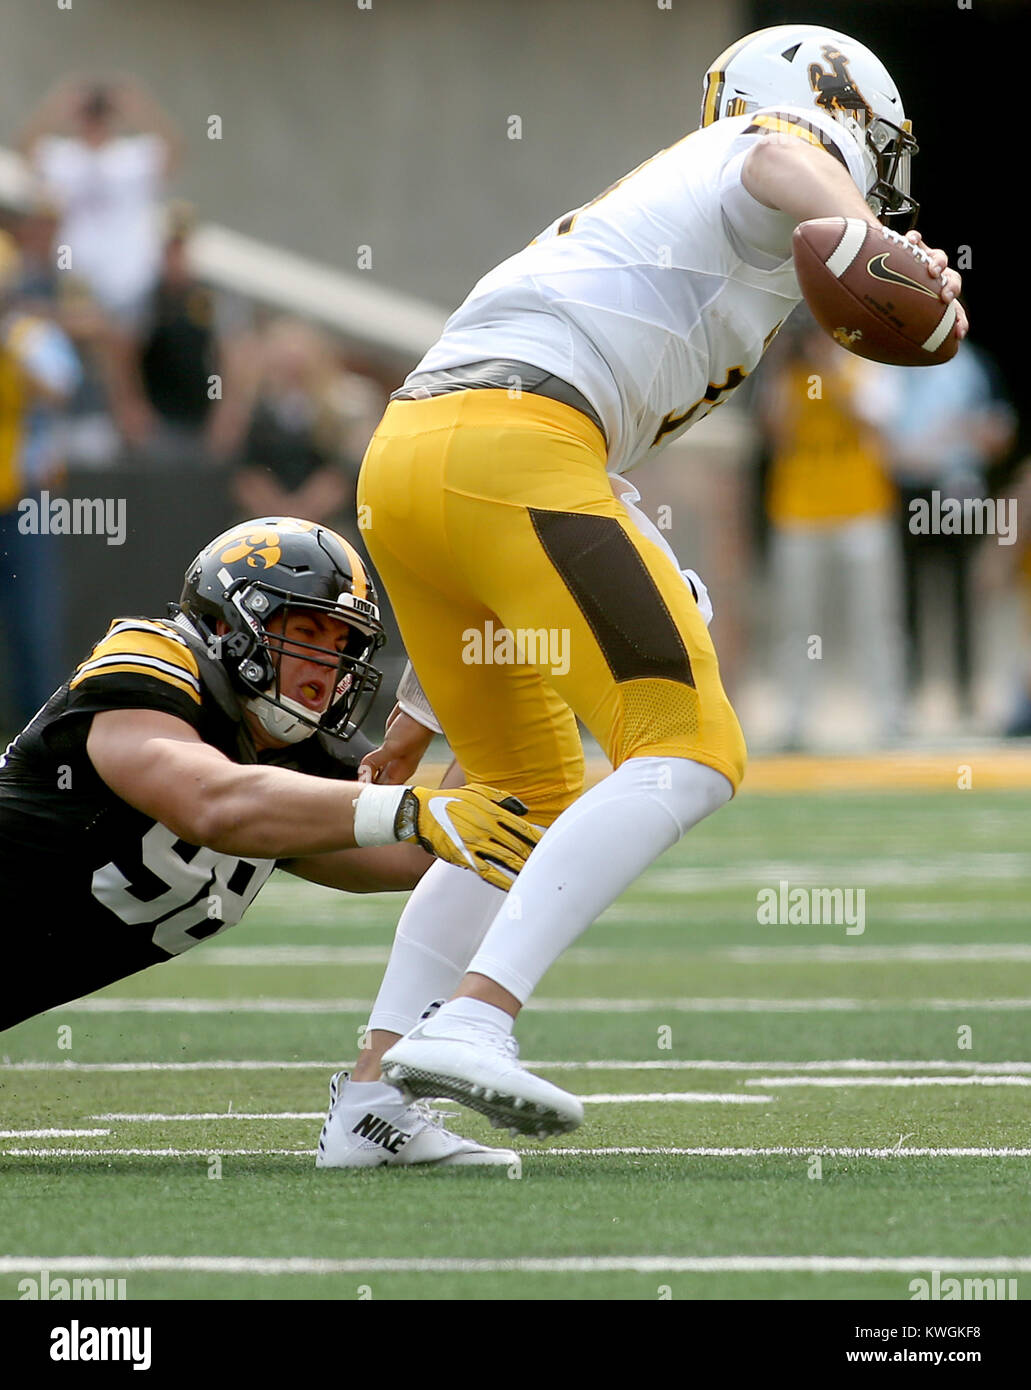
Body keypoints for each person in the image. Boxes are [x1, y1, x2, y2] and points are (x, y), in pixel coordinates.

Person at [344, 24, 966, 1140]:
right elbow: (775, 152)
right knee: (690, 747)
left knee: (521, 799)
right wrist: (863, 229)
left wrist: (418, 705)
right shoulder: (770, 152)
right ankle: (475, 1015)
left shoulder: (686, 210)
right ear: (838, 111)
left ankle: (371, 1096)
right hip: (514, 448)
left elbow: (509, 470)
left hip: (417, 459)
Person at [0, 517, 541, 1167]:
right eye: (305, 633)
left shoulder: (291, 752)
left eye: (343, 639)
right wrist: (410, 809)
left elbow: (424, 852)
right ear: (228, 624)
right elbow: (211, 803)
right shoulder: (153, 660)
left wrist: (497, 676)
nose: (328, 661)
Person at [758, 311, 905, 748]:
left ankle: (889, 715)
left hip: (863, 509)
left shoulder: (867, 368)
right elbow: (775, 433)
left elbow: (876, 420)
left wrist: (833, 371)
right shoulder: (787, 377)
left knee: (876, 617)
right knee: (796, 621)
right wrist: (784, 366)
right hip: (798, 512)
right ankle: (796, 719)